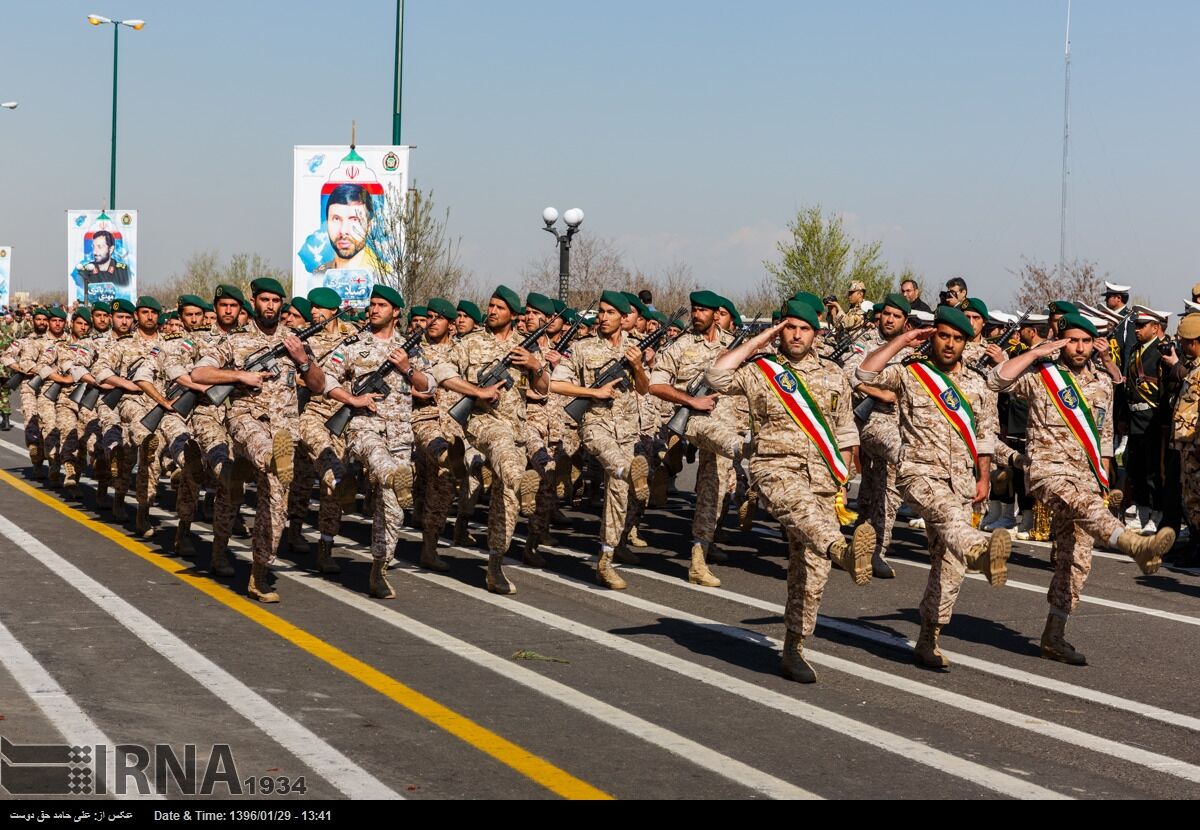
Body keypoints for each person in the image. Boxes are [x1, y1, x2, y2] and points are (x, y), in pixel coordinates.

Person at [991, 313, 1174, 665]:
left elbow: (1104, 438)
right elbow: (998, 380)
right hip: (1048, 472)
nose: (1078, 348)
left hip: (1085, 476)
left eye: (1085, 341)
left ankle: (1054, 634)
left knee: (1075, 559)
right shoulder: (1042, 375)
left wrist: (1106, 480)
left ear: (1094, 344)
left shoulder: (1102, 383)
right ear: (1062, 341)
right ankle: (1133, 545)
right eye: (1072, 340)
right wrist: (1035, 352)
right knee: (1084, 507)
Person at [706, 299, 874, 682]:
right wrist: (760, 339)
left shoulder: (833, 374)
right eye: (789, 327)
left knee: (811, 567)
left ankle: (794, 644)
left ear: (816, 333)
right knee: (803, 512)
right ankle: (843, 550)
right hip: (775, 468)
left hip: (822, 476)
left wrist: (845, 471)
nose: (796, 335)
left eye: (804, 328)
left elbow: (845, 427)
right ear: (781, 329)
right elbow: (717, 377)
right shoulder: (762, 370)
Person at [856, 305, 1011, 670]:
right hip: (919, 474)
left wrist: (984, 477)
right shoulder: (911, 373)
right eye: (943, 335)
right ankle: (984, 552)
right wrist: (904, 340)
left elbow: (985, 436)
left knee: (949, 562)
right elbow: (864, 372)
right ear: (933, 335)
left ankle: (929, 635)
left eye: (958, 338)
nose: (950, 344)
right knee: (948, 520)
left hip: (959, 478)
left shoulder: (977, 383)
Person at [192, 278, 328, 603]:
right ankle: (220, 550)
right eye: (264, 300)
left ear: (282, 304)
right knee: (258, 460)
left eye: (275, 301)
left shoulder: (294, 342)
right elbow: (199, 374)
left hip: (284, 429)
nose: (270, 306)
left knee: (275, 506)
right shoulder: (235, 341)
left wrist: (303, 360)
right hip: (246, 420)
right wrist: (240, 375)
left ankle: (258, 574)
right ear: (254, 302)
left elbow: (319, 384)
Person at [430, 285, 547, 595]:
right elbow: (441, 372)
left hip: (518, 429)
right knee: (504, 452)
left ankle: (495, 565)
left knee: (506, 504)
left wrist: (535, 366)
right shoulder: (471, 343)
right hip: (483, 423)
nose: (492, 311)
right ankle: (522, 481)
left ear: (513, 315)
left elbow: (544, 388)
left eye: (499, 307)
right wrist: (477, 391)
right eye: (491, 305)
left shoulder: (526, 347)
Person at [319, 284, 434, 598]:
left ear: (396, 312)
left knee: (393, 507)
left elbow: (429, 385)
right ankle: (394, 478)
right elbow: (327, 379)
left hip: (399, 433)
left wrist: (407, 368)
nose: (374, 309)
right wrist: (351, 400)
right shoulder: (354, 344)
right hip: (364, 428)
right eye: (372, 304)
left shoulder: (409, 347)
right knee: (386, 471)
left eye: (381, 305)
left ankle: (379, 567)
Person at [550, 291, 652, 589]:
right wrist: (594, 393)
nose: (603, 317)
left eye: (610, 313)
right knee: (621, 468)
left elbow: (644, 389)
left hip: (626, 431)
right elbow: (556, 383)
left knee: (619, 490)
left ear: (624, 318)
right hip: (595, 426)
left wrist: (638, 367)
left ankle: (607, 557)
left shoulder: (634, 349)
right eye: (602, 312)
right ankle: (629, 473)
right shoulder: (582, 348)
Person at [649, 290, 746, 587]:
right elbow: (656, 385)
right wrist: (691, 402)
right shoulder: (680, 346)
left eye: (704, 310)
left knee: (719, 489)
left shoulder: (733, 346)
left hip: (729, 424)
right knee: (711, 485)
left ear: (717, 314)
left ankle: (708, 541)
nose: (697, 315)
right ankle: (697, 559)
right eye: (695, 309)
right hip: (696, 423)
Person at [314, 184, 387, 276]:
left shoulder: (384, 275)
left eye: (355, 220)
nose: (343, 231)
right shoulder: (318, 275)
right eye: (336, 219)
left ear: (370, 225)